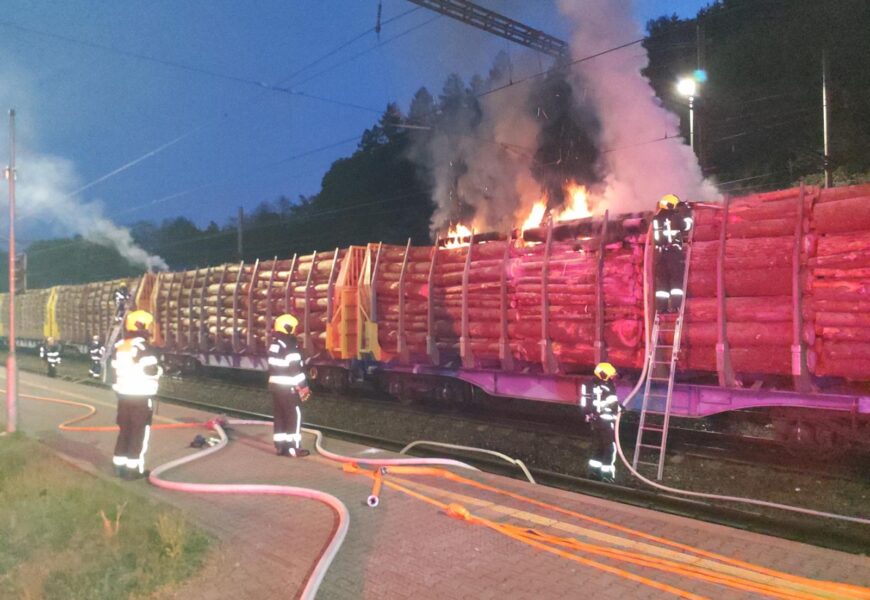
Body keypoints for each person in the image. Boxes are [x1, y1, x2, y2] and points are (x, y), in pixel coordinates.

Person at [111, 310, 162, 480]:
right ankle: (133, 470)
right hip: (140, 396)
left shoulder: (120, 346)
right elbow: (151, 370)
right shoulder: (142, 347)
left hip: (124, 396)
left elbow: (114, 370)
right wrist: (161, 370)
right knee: (139, 433)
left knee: (124, 430)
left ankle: (119, 466)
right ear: (143, 327)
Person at [267, 314, 311, 457]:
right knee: (294, 416)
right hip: (288, 387)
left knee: (279, 416)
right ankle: (293, 448)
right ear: (288, 327)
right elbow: (295, 371)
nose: (295, 331)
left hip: (275, 386)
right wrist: (303, 386)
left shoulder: (275, 344)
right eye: (294, 328)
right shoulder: (290, 347)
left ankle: (280, 447)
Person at [652, 194, 693, 313]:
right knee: (676, 280)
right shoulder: (675, 217)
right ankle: (676, 306)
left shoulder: (656, 219)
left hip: (660, 254)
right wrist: (687, 212)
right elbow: (687, 226)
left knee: (662, 283)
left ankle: (661, 308)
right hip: (673, 253)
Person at [580, 362, 620, 483]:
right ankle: (607, 476)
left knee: (599, 447)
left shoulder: (589, 385)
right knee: (610, 448)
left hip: (594, 421)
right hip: (605, 421)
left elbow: (586, 404)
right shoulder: (607, 386)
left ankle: (593, 472)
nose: (612, 377)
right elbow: (612, 403)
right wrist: (619, 409)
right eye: (610, 375)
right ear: (604, 374)